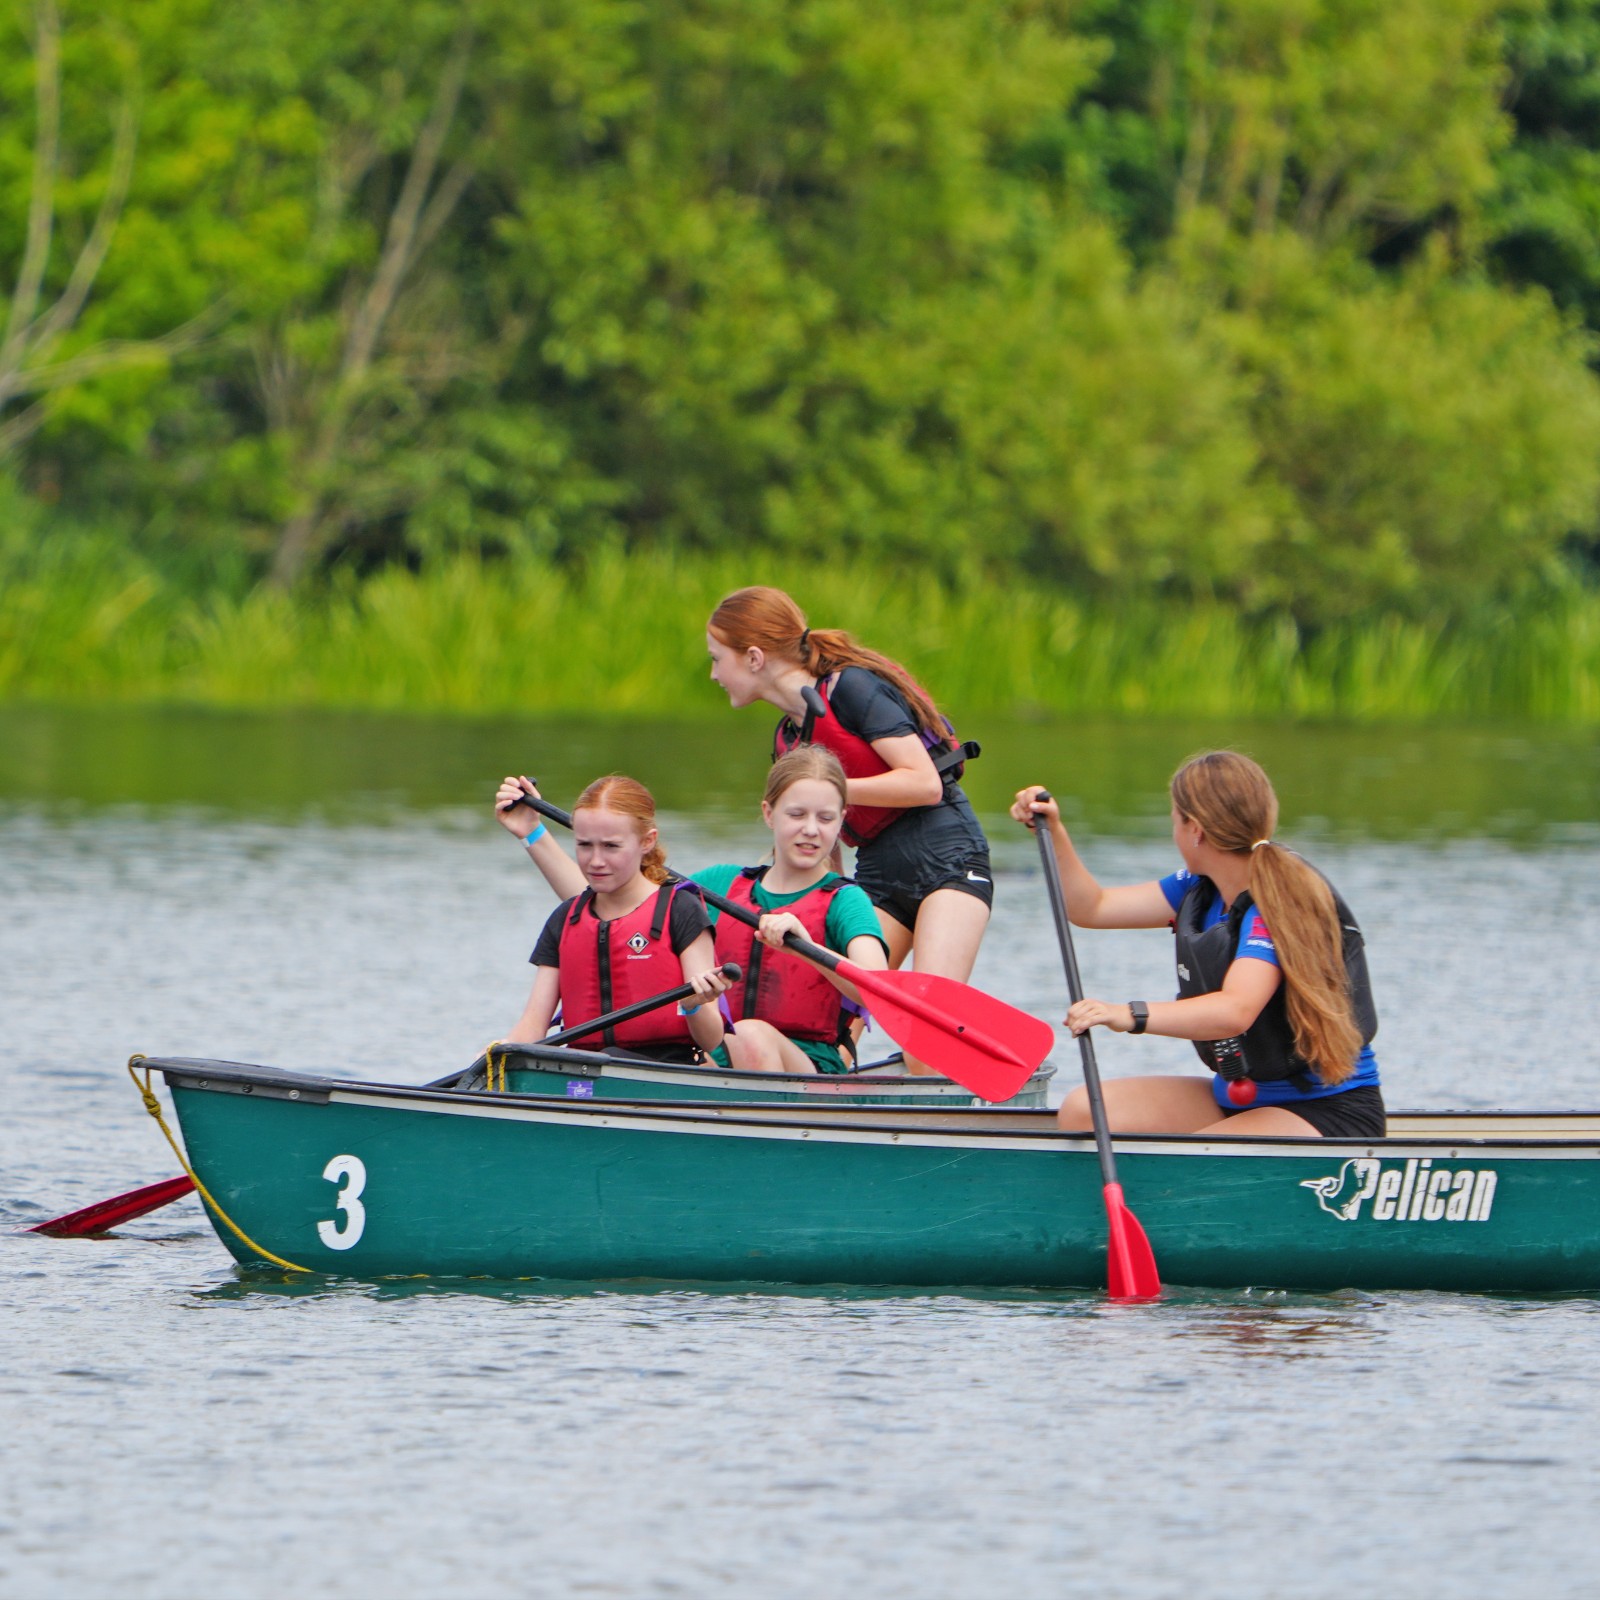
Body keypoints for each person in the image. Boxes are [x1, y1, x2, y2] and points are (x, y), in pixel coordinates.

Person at [1011, 750, 1384, 1139]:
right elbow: (1093, 907)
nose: (1173, 832)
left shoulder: (1277, 902)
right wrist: (1053, 831)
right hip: (1236, 1099)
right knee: (1083, 1111)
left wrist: (1128, 1015)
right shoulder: (1197, 887)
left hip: (1326, 1110)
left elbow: (1236, 1010)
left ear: (1196, 830)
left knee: (1207, 1158)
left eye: (1174, 819)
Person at [703, 587, 989, 1071]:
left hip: (948, 860)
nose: (713, 674)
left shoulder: (851, 687)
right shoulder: (787, 738)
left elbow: (924, 784)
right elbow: (817, 848)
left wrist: (828, 792)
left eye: (717, 659)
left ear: (753, 657)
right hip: (877, 869)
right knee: (833, 1032)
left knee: (923, 1041)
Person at [496, 748, 889, 1073]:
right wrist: (533, 834)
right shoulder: (720, 884)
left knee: (749, 1033)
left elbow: (880, 993)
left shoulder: (846, 900)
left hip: (808, 1071)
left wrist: (805, 947)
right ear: (769, 814)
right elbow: (614, 904)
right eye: (797, 815)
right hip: (714, 1060)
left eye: (825, 818)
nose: (810, 830)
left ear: (841, 822)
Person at [501, 774, 731, 1064]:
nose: (596, 860)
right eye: (585, 845)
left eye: (611, 846)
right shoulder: (565, 919)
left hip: (664, 1073)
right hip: (583, 1074)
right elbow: (532, 1028)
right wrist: (497, 1054)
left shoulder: (680, 910)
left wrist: (694, 1005)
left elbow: (711, 1039)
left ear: (647, 841)